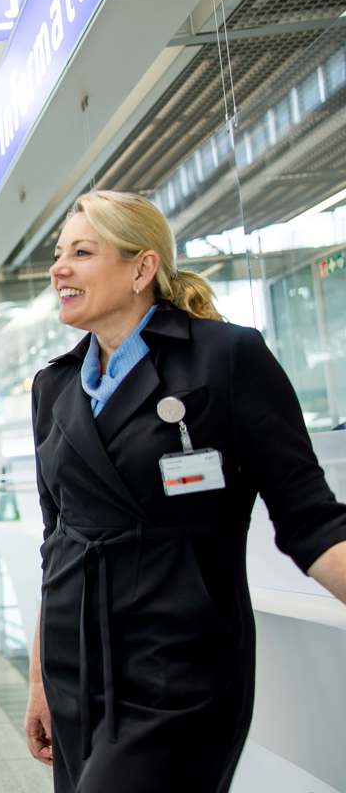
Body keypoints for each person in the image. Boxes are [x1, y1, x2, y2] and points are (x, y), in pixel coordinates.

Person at [23, 190, 346, 792]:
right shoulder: (55, 387)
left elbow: (312, 521)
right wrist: (40, 678)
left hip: (179, 667)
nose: (58, 268)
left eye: (82, 252)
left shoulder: (225, 358)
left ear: (143, 268)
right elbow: (56, 542)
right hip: (76, 671)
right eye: (59, 253)